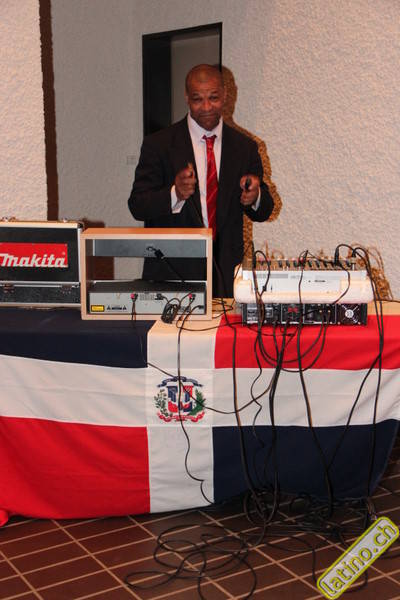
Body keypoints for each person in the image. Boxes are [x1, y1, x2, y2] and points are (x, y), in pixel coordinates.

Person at [128, 64, 274, 297]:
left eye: (213, 98)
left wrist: (255, 197)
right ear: (187, 98)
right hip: (171, 274)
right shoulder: (159, 144)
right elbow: (137, 205)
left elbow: (264, 210)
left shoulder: (244, 148)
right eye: (197, 99)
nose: (206, 107)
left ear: (225, 95)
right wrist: (175, 194)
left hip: (227, 276)